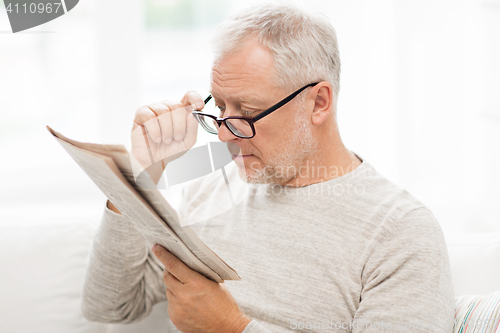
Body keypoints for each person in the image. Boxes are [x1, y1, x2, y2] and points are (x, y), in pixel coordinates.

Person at [81, 3, 455, 332]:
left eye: (247, 112)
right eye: (221, 107)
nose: (225, 135)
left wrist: (231, 328)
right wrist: (139, 177)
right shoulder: (212, 188)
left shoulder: (401, 232)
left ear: (318, 102)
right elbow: (110, 306)